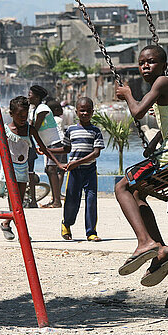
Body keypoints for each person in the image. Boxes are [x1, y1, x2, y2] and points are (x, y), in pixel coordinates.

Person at [115, 44, 168, 316]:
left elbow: (138, 112)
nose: (144, 67)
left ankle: (149, 244)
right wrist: (154, 143)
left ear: (163, 66)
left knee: (122, 187)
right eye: (141, 63)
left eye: (150, 62)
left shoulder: (163, 82)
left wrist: (128, 94)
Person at [0, 96, 65, 241]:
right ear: (11, 114)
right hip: (9, 170)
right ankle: (23, 234)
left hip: (23, 169)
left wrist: (58, 164)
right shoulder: (6, 130)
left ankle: (5, 223)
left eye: (25, 115)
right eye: (19, 115)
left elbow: (44, 148)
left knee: (19, 204)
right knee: (14, 203)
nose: (23, 118)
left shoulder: (30, 130)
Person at [47, 97, 105, 242]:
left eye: (88, 111)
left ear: (92, 112)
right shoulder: (71, 130)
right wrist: (49, 151)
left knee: (91, 201)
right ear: (76, 112)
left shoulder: (96, 131)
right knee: (72, 201)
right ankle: (66, 224)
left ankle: (91, 232)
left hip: (90, 172)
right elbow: (66, 149)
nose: (85, 113)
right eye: (82, 110)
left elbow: (96, 153)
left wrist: (77, 162)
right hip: (74, 173)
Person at [28, 85, 62, 208]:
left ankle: (57, 201)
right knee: (48, 170)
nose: (28, 97)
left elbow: (35, 128)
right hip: (47, 144)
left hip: (55, 142)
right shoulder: (34, 110)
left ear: (36, 97)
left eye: (30, 94)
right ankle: (54, 200)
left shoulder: (42, 108)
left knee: (52, 170)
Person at [42, 100, 67, 207]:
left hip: (53, 144)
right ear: (56, 110)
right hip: (62, 143)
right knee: (60, 171)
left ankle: (55, 196)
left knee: (51, 169)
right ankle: (57, 195)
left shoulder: (50, 120)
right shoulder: (59, 119)